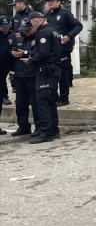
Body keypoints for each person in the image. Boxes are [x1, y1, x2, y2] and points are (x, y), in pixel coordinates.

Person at [19, 11, 62, 144]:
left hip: (46, 70)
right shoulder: (53, 31)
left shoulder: (43, 33)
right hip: (53, 69)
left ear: (37, 20)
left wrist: (30, 61)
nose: (31, 25)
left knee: (42, 101)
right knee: (50, 101)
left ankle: (46, 132)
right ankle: (53, 130)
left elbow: (42, 53)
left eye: (31, 22)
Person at [43, 0, 82, 107]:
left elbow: (78, 25)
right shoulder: (47, 15)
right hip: (50, 49)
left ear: (58, 2)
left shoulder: (65, 14)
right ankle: (54, 97)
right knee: (52, 73)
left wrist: (69, 36)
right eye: (48, 1)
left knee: (63, 74)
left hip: (63, 49)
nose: (50, 2)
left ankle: (64, 98)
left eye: (52, 0)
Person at [10, 17, 40, 137]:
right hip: (20, 74)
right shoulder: (19, 37)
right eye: (24, 30)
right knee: (20, 104)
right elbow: (12, 50)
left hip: (33, 74)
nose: (26, 32)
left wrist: (26, 53)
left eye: (28, 29)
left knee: (36, 103)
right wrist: (12, 53)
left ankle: (39, 127)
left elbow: (40, 53)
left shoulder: (38, 37)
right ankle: (23, 126)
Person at [0, 16, 11, 107]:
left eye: (7, 26)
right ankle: (4, 97)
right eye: (3, 27)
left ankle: (4, 96)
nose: (5, 29)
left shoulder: (11, 35)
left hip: (9, 61)